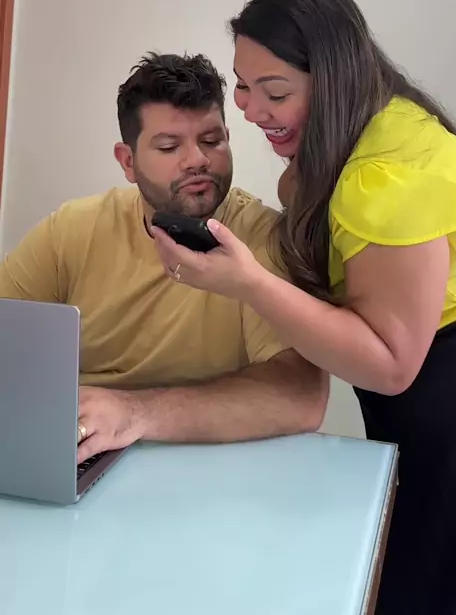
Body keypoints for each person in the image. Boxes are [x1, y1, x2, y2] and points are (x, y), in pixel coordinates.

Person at [153, 0, 456, 615]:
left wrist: (249, 283)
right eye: (243, 87)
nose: (252, 110)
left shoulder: (388, 173)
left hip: (454, 420)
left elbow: (390, 363)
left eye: (275, 92)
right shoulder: (371, 129)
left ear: (334, 79)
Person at [0, 51, 328, 464]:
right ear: (128, 161)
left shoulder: (263, 239)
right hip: (80, 450)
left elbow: (303, 396)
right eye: (170, 146)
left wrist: (136, 413)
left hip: (204, 468)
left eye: (212, 141)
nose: (198, 160)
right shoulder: (71, 230)